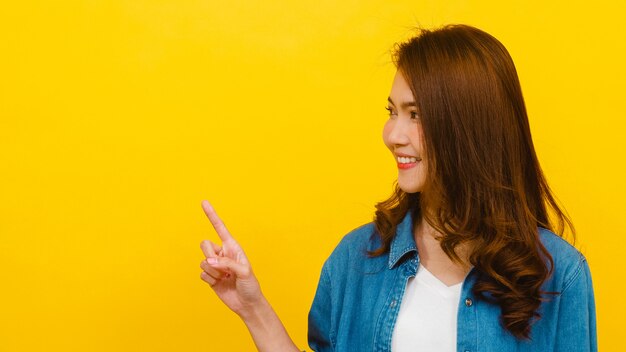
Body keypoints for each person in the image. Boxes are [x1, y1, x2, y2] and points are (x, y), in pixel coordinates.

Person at [199, 24, 597, 352]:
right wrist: (252, 307)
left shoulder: (559, 277)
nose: (392, 135)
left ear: (470, 127)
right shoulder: (356, 260)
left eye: (416, 115)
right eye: (392, 112)